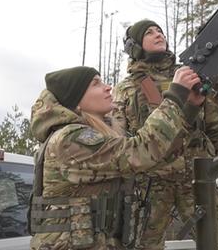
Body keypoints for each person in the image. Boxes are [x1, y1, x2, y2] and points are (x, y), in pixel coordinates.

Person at [28, 65, 203, 250]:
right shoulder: (69, 140)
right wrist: (175, 96)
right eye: (96, 84)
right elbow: (142, 151)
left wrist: (189, 109)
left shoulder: (104, 136)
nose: (107, 87)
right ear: (76, 100)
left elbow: (158, 156)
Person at [112, 19, 218, 249]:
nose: (158, 35)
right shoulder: (126, 89)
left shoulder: (188, 76)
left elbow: (214, 121)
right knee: (142, 245)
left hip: (195, 176)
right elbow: (118, 139)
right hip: (150, 184)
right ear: (135, 45)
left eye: (160, 31)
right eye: (149, 33)